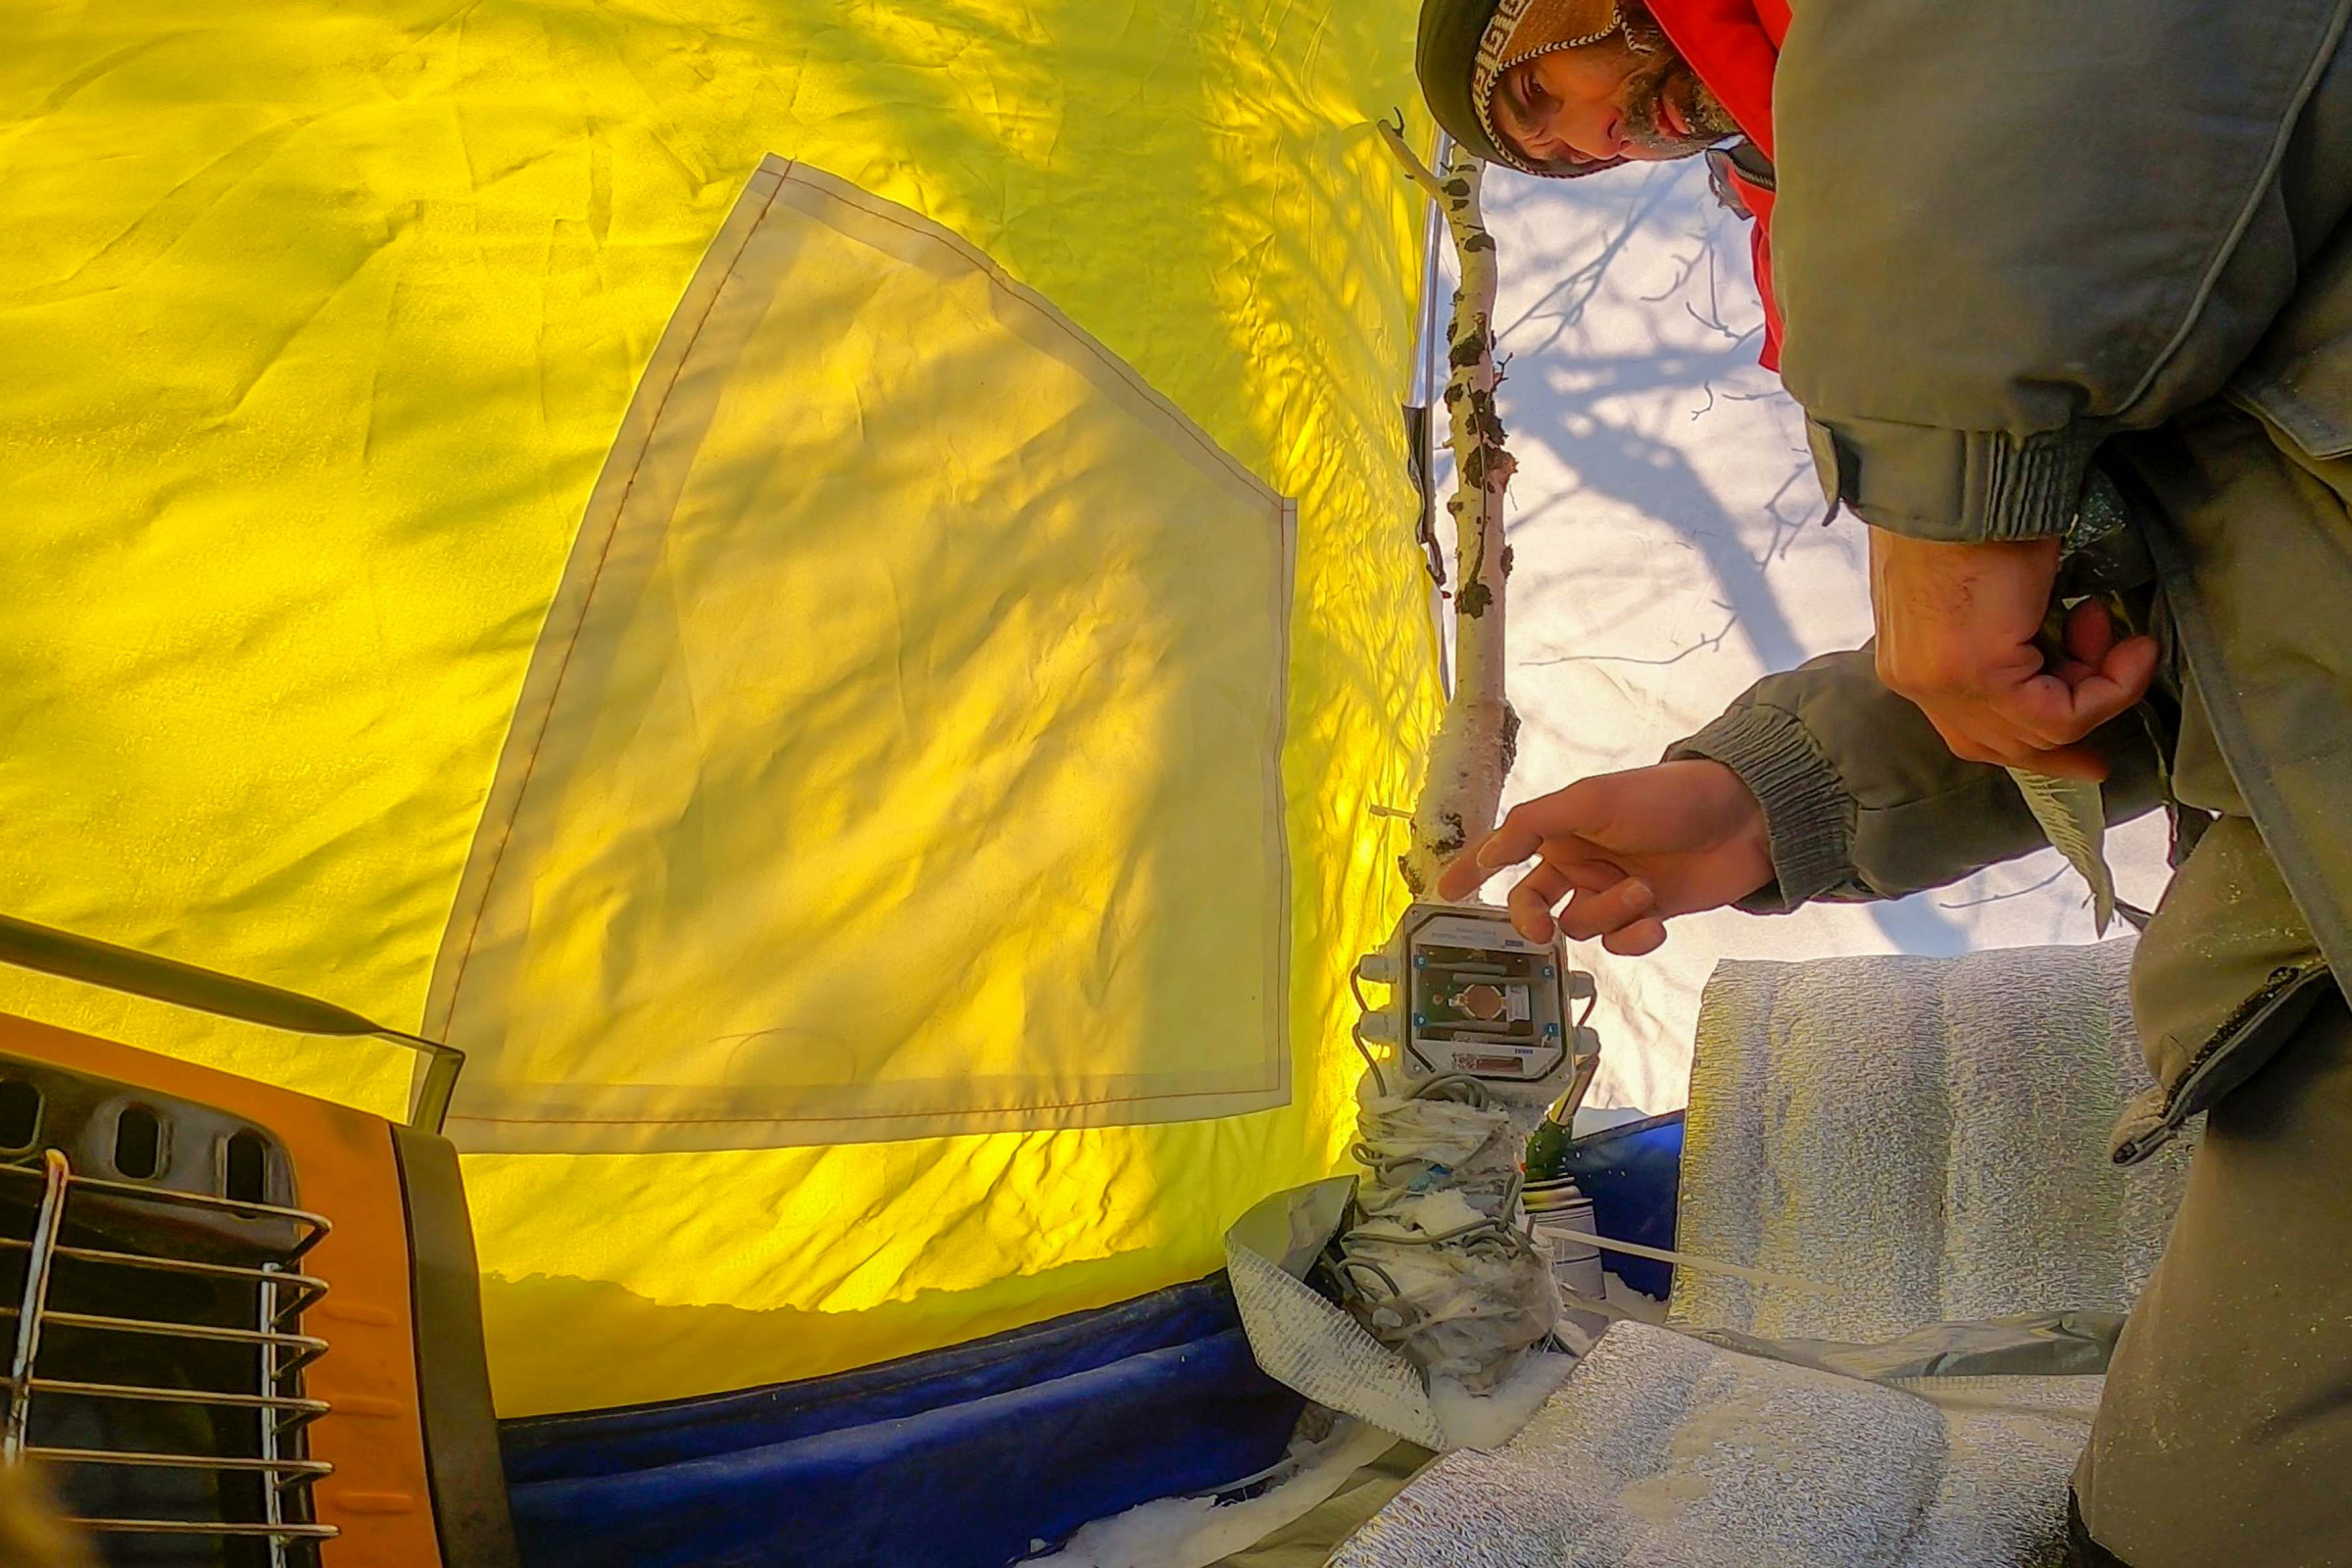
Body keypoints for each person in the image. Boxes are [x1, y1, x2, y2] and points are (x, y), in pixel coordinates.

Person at [1414, 2, 2352, 1565]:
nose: (1587, 144)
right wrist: (1767, 797)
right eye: (1549, 161)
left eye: (1537, 101)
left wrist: (1956, 484)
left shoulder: (1973, 159)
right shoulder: (2126, 250)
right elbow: (2199, 624)